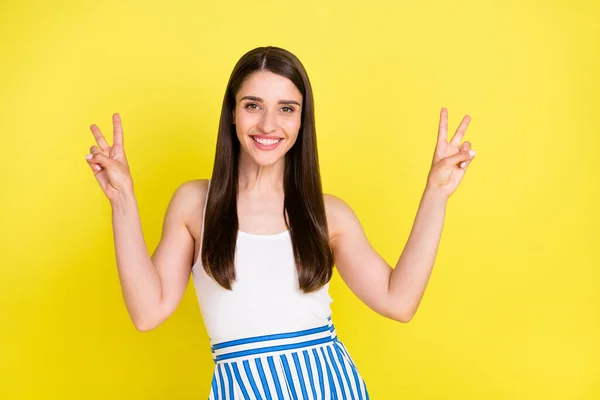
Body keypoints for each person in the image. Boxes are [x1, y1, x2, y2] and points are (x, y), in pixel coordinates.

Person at [85, 46, 476, 399]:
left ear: (302, 121)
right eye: (253, 105)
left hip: (331, 387)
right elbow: (147, 312)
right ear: (232, 114)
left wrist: (436, 193)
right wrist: (122, 200)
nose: (269, 125)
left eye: (286, 108)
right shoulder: (194, 204)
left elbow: (399, 301)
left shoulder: (327, 214)